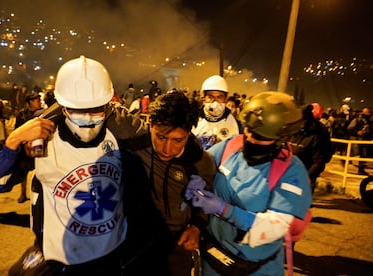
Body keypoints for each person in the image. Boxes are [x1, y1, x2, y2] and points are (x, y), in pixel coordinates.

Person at [0, 56, 148, 275]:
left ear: (108, 105)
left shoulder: (122, 134)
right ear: (63, 106)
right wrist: (14, 141)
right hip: (61, 259)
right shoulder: (42, 139)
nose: (87, 117)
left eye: (96, 109)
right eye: (78, 110)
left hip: (112, 256)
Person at [186, 91, 313, 276]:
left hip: (255, 268)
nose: (251, 139)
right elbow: (202, 164)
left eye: (260, 136)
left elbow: (273, 227)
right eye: (249, 130)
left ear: (281, 138)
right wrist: (197, 179)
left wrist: (224, 209)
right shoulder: (231, 146)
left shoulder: (292, 172)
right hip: (213, 258)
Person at [121, 91, 216, 276]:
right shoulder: (135, 138)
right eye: (161, 137)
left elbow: (206, 201)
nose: (166, 149)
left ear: (189, 133)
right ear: (151, 125)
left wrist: (196, 227)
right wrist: (46, 122)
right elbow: (97, 108)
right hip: (133, 241)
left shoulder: (201, 162)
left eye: (177, 140)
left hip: (176, 245)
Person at [290, 103, 333, 193]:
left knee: (304, 190)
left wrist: (307, 176)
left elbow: (319, 160)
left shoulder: (318, 132)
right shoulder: (296, 128)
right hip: (294, 166)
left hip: (309, 165)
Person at [192, 75, 239, 149]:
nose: (215, 102)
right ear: (204, 99)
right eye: (210, 97)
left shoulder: (234, 123)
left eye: (219, 97)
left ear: (225, 99)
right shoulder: (193, 120)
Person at [13, 90, 44, 203]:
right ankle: (22, 193)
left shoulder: (42, 113)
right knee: (23, 171)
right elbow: (17, 130)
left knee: (40, 169)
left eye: (39, 99)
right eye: (37, 100)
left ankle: (40, 193)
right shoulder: (21, 115)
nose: (39, 101)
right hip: (25, 147)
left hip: (38, 145)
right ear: (30, 102)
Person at [347, 107, 373, 175]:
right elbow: (349, 129)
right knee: (360, 154)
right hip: (359, 140)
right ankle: (359, 168)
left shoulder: (369, 121)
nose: (368, 114)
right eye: (366, 112)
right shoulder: (357, 120)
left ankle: (361, 169)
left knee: (364, 155)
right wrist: (357, 132)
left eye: (369, 112)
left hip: (366, 140)